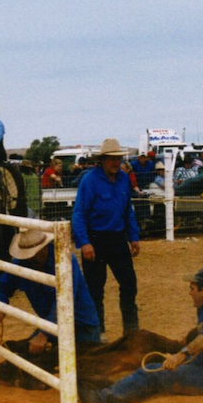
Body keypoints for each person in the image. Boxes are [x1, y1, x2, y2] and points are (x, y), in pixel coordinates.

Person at [80, 268, 203, 403]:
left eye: (192, 288)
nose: (190, 293)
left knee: (154, 372)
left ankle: (104, 398)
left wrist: (180, 355)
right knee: (157, 369)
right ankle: (114, 390)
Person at [0, 228, 101, 357]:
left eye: (32, 255)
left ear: (44, 248)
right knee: (29, 358)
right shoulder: (24, 262)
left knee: (81, 368)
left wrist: (44, 334)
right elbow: (1, 285)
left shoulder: (65, 260)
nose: (30, 259)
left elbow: (64, 303)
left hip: (81, 327)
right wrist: (0, 305)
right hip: (51, 324)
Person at [72, 137, 141, 333]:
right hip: (95, 240)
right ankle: (97, 332)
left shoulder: (123, 179)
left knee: (129, 284)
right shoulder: (90, 181)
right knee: (95, 290)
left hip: (118, 239)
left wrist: (133, 236)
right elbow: (79, 213)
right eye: (110, 159)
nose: (114, 163)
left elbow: (128, 210)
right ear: (102, 160)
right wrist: (84, 243)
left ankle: (131, 331)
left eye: (117, 159)